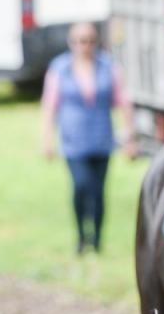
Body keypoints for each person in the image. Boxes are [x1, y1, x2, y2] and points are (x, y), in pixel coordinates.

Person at [40, 22, 136, 254]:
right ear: (71, 42)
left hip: (101, 139)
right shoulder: (59, 68)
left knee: (98, 191)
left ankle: (97, 239)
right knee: (81, 186)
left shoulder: (108, 66)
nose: (85, 46)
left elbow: (123, 102)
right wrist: (47, 140)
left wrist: (129, 137)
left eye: (91, 41)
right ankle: (82, 236)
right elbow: (49, 106)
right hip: (73, 141)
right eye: (81, 41)